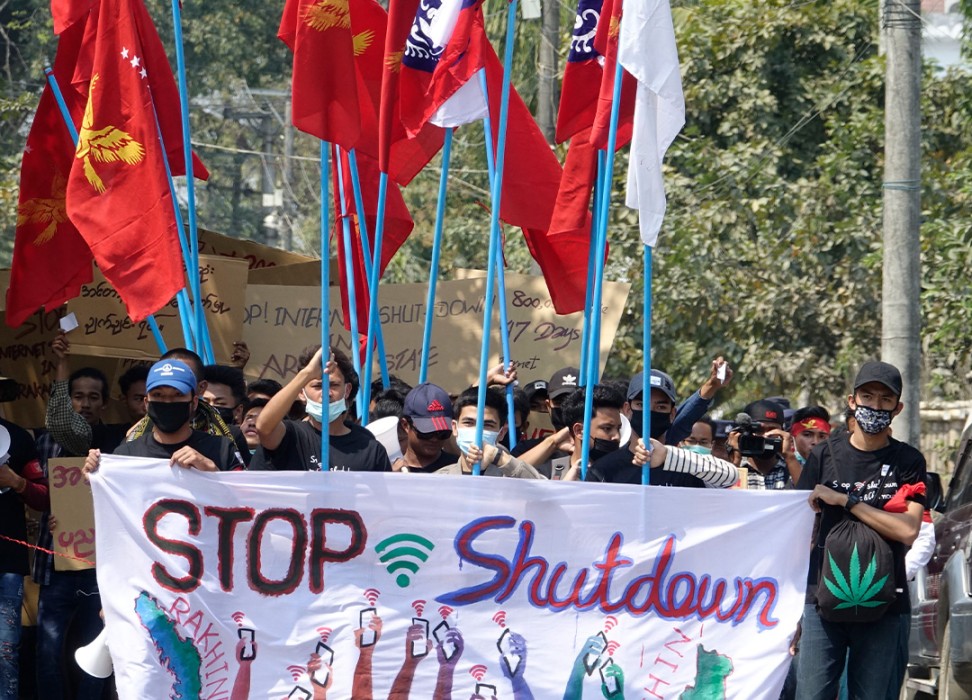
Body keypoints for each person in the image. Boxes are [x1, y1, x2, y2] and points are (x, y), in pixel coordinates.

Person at [795, 361, 926, 700]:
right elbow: (800, 531)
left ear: (898, 408)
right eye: (867, 397)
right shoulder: (823, 456)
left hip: (885, 604)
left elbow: (908, 530)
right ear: (852, 401)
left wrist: (846, 501)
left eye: (885, 400)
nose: (876, 407)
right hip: (820, 602)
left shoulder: (908, 462)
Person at [86, 359, 245, 473]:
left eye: (177, 395)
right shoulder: (126, 455)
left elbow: (246, 504)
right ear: (147, 403)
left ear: (194, 402)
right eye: (158, 395)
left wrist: (211, 471)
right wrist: (96, 474)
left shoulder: (222, 449)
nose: (168, 402)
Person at [254, 346, 391, 472]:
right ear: (301, 393)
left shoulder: (370, 449)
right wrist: (308, 373)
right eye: (318, 386)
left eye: (334, 385)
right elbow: (263, 427)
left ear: (347, 390)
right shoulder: (291, 436)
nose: (326, 393)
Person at [0, 412, 47, 700]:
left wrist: (17, 482)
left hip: (7, 564)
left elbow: (45, 498)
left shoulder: (17, 437)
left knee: (5, 650)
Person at [436, 387, 544, 478]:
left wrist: (499, 457)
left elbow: (545, 491)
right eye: (469, 422)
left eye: (487, 425)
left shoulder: (512, 477)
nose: (477, 431)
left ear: (501, 433)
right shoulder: (440, 479)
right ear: (454, 428)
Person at [727, 399, 792, 490]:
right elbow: (724, 498)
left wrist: (789, 457)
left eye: (772, 430)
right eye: (758, 430)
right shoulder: (735, 466)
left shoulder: (792, 467)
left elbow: (806, 495)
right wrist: (735, 462)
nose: (765, 436)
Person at [399, 383, 459, 473]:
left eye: (442, 433)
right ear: (405, 425)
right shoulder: (387, 470)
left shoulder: (458, 469)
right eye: (426, 432)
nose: (434, 439)